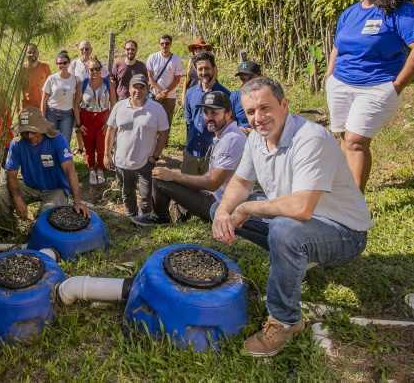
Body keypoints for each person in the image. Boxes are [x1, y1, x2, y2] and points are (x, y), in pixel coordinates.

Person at [212, 77, 373, 358]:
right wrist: (225, 212)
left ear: (284, 105)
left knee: (285, 229)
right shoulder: (257, 140)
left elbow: (300, 208)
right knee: (219, 209)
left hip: (345, 234)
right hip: (302, 224)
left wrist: (246, 209)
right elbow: (239, 183)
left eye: (265, 108)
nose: (258, 118)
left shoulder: (310, 138)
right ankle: (299, 255)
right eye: (251, 112)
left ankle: (285, 321)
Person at [325, 0, 414, 192]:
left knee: (356, 141)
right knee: (345, 137)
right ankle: (344, 191)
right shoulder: (350, 13)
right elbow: (337, 46)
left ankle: (354, 203)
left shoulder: (400, 11)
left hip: (377, 86)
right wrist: (329, 75)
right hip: (341, 84)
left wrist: (398, 85)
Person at [131, 91, 246, 227]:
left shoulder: (231, 139)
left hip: (220, 204)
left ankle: (159, 218)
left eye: (214, 113)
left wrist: (174, 176)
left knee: (161, 179)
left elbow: (213, 183)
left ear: (229, 114)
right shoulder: (226, 135)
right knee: (166, 176)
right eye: (206, 112)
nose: (209, 117)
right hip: (217, 197)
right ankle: (171, 215)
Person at [0, 107, 90, 232]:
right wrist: (17, 198)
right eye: (25, 132)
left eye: (34, 132)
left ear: (42, 128)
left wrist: (77, 201)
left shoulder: (57, 139)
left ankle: (37, 237)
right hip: (29, 186)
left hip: (56, 188)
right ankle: (9, 232)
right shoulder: (17, 144)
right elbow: (11, 174)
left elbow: (70, 170)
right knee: (1, 194)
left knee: (46, 213)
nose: (29, 136)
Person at [104, 74, 169, 218]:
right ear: (129, 89)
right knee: (127, 193)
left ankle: (144, 218)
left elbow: (163, 133)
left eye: (142, 87)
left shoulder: (156, 109)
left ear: (147, 90)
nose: (138, 91)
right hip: (122, 162)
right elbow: (111, 130)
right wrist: (106, 155)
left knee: (147, 197)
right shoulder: (119, 106)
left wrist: (155, 156)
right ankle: (131, 216)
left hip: (145, 162)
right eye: (135, 87)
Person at [182, 51, 230, 175]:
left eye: (207, 68)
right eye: (200, 69)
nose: (204, 72)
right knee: (186, 190)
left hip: (213, 155)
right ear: (195, 70)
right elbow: (189, 121)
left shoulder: (224, 94)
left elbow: (229, 124)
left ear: (214, 69)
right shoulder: (190, 93)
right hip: (191, 152)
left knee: (209, 192)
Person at [74, 57, 116, 185]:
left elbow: (114, 104)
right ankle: (91, 170)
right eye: (92, 69)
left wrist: (109, 123)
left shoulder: (108, 83)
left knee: (101, 145)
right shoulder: (83, 84)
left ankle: (101, 169)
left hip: (103, 117)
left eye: (98, 69)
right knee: (89, 145)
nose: (95, 71)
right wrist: (79, 124)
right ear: (88, 70)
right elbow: (76, 105)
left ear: (101, 69)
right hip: (87, 116)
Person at [70, 40, 109, 155]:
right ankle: (80, 146)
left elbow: (107, 76)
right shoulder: (75, 63)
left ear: (91, 50)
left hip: (94, 99)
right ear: (79, 51)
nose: (84, 51)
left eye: (87, 49)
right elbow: (68, 77)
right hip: (79, 97)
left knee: (92, 125)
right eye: (82, 49)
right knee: (78, 123)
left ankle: (94, 147)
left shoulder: (96, 63)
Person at [146, 34, 184, 127]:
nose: (164, 46)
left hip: (170, 95)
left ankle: (165, 141)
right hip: (155, 94)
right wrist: (159, 92)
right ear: (159, 45)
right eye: (162, 43)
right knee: (152, 120)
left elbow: (177, 79)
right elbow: (149, 77)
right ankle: (153, 141)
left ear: (170, 44)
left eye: (167, 43)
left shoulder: (176, 59)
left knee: (167, 121)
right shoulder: (153, 57)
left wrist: (165, 92)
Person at [41, 51, 77, 145]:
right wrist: (43, 118)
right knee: (50, 141)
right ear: (56, 65)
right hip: (51, 113)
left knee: (64, 142)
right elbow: (44, 100)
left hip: (67, 114)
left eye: (65, 63)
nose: (62, 65)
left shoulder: (75, 79)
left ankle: (64, 160)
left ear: (69, 63)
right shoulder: (51, 78)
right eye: (59, 63)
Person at [230, 60, 263, 133]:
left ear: (260, 77)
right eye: (243, 79)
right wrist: (237, 129)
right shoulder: (235, 96)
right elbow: (227, 121)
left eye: (251, 79)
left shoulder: (267, 97)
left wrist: (250, 132)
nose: (246, 83)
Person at [180, 38, 213, 106]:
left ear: (205, 48)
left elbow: (213, 81)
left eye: (200, 48)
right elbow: (187, 80)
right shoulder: (191, 62)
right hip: (191, 94)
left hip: (203, 95)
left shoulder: (211, 64)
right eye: (195, 48)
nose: (197, 50)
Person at [18, 43, 51, 109]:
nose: (32, 54)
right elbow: (16, 92)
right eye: (29, 52)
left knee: (42, 120)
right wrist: (17, 109)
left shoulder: (45, 67)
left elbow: (51, 87)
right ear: (25, 54)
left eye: (34, 52)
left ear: (38, 53)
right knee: (24, 119)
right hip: (26, 108)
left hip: (43, 107)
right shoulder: (21, 69)